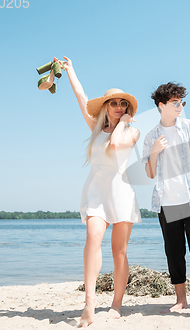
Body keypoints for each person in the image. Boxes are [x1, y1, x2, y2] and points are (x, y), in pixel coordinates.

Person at [60, 56, 142, 327]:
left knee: (119, 251)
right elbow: (81, 96)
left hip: (121, 193)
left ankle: (117, 304)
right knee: (92, 239)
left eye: (122, 104)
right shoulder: (95, 129)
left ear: (127, 109)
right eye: (113, 103)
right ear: (106, 106)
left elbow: (117, 145)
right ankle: (90, 303)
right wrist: (71, 71)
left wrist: (123, 122)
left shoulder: (132, 132)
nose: (118, 107)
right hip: (96, 191)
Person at [142, 82, 190, 319]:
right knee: (174, 251)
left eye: (181, 102)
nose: (180, 106)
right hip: (167, 202)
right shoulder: (151, 136)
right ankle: (181, 300)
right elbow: (150, 173)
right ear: (161, 106)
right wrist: (154, 151)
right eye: (176, 103)